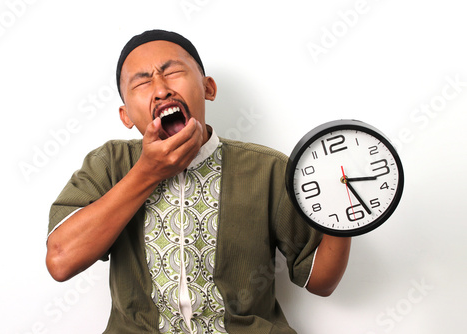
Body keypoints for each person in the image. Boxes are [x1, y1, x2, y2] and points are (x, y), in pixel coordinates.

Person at [46, 29, 351, 334]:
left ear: (208, 87)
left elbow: (320, 281)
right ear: (125, 115)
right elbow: (61, 261)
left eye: (173, 72)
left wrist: (346, 207)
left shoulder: (268, 168)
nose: (161, 89)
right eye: (142, 82)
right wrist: (148, 172)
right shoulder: (109, 164)